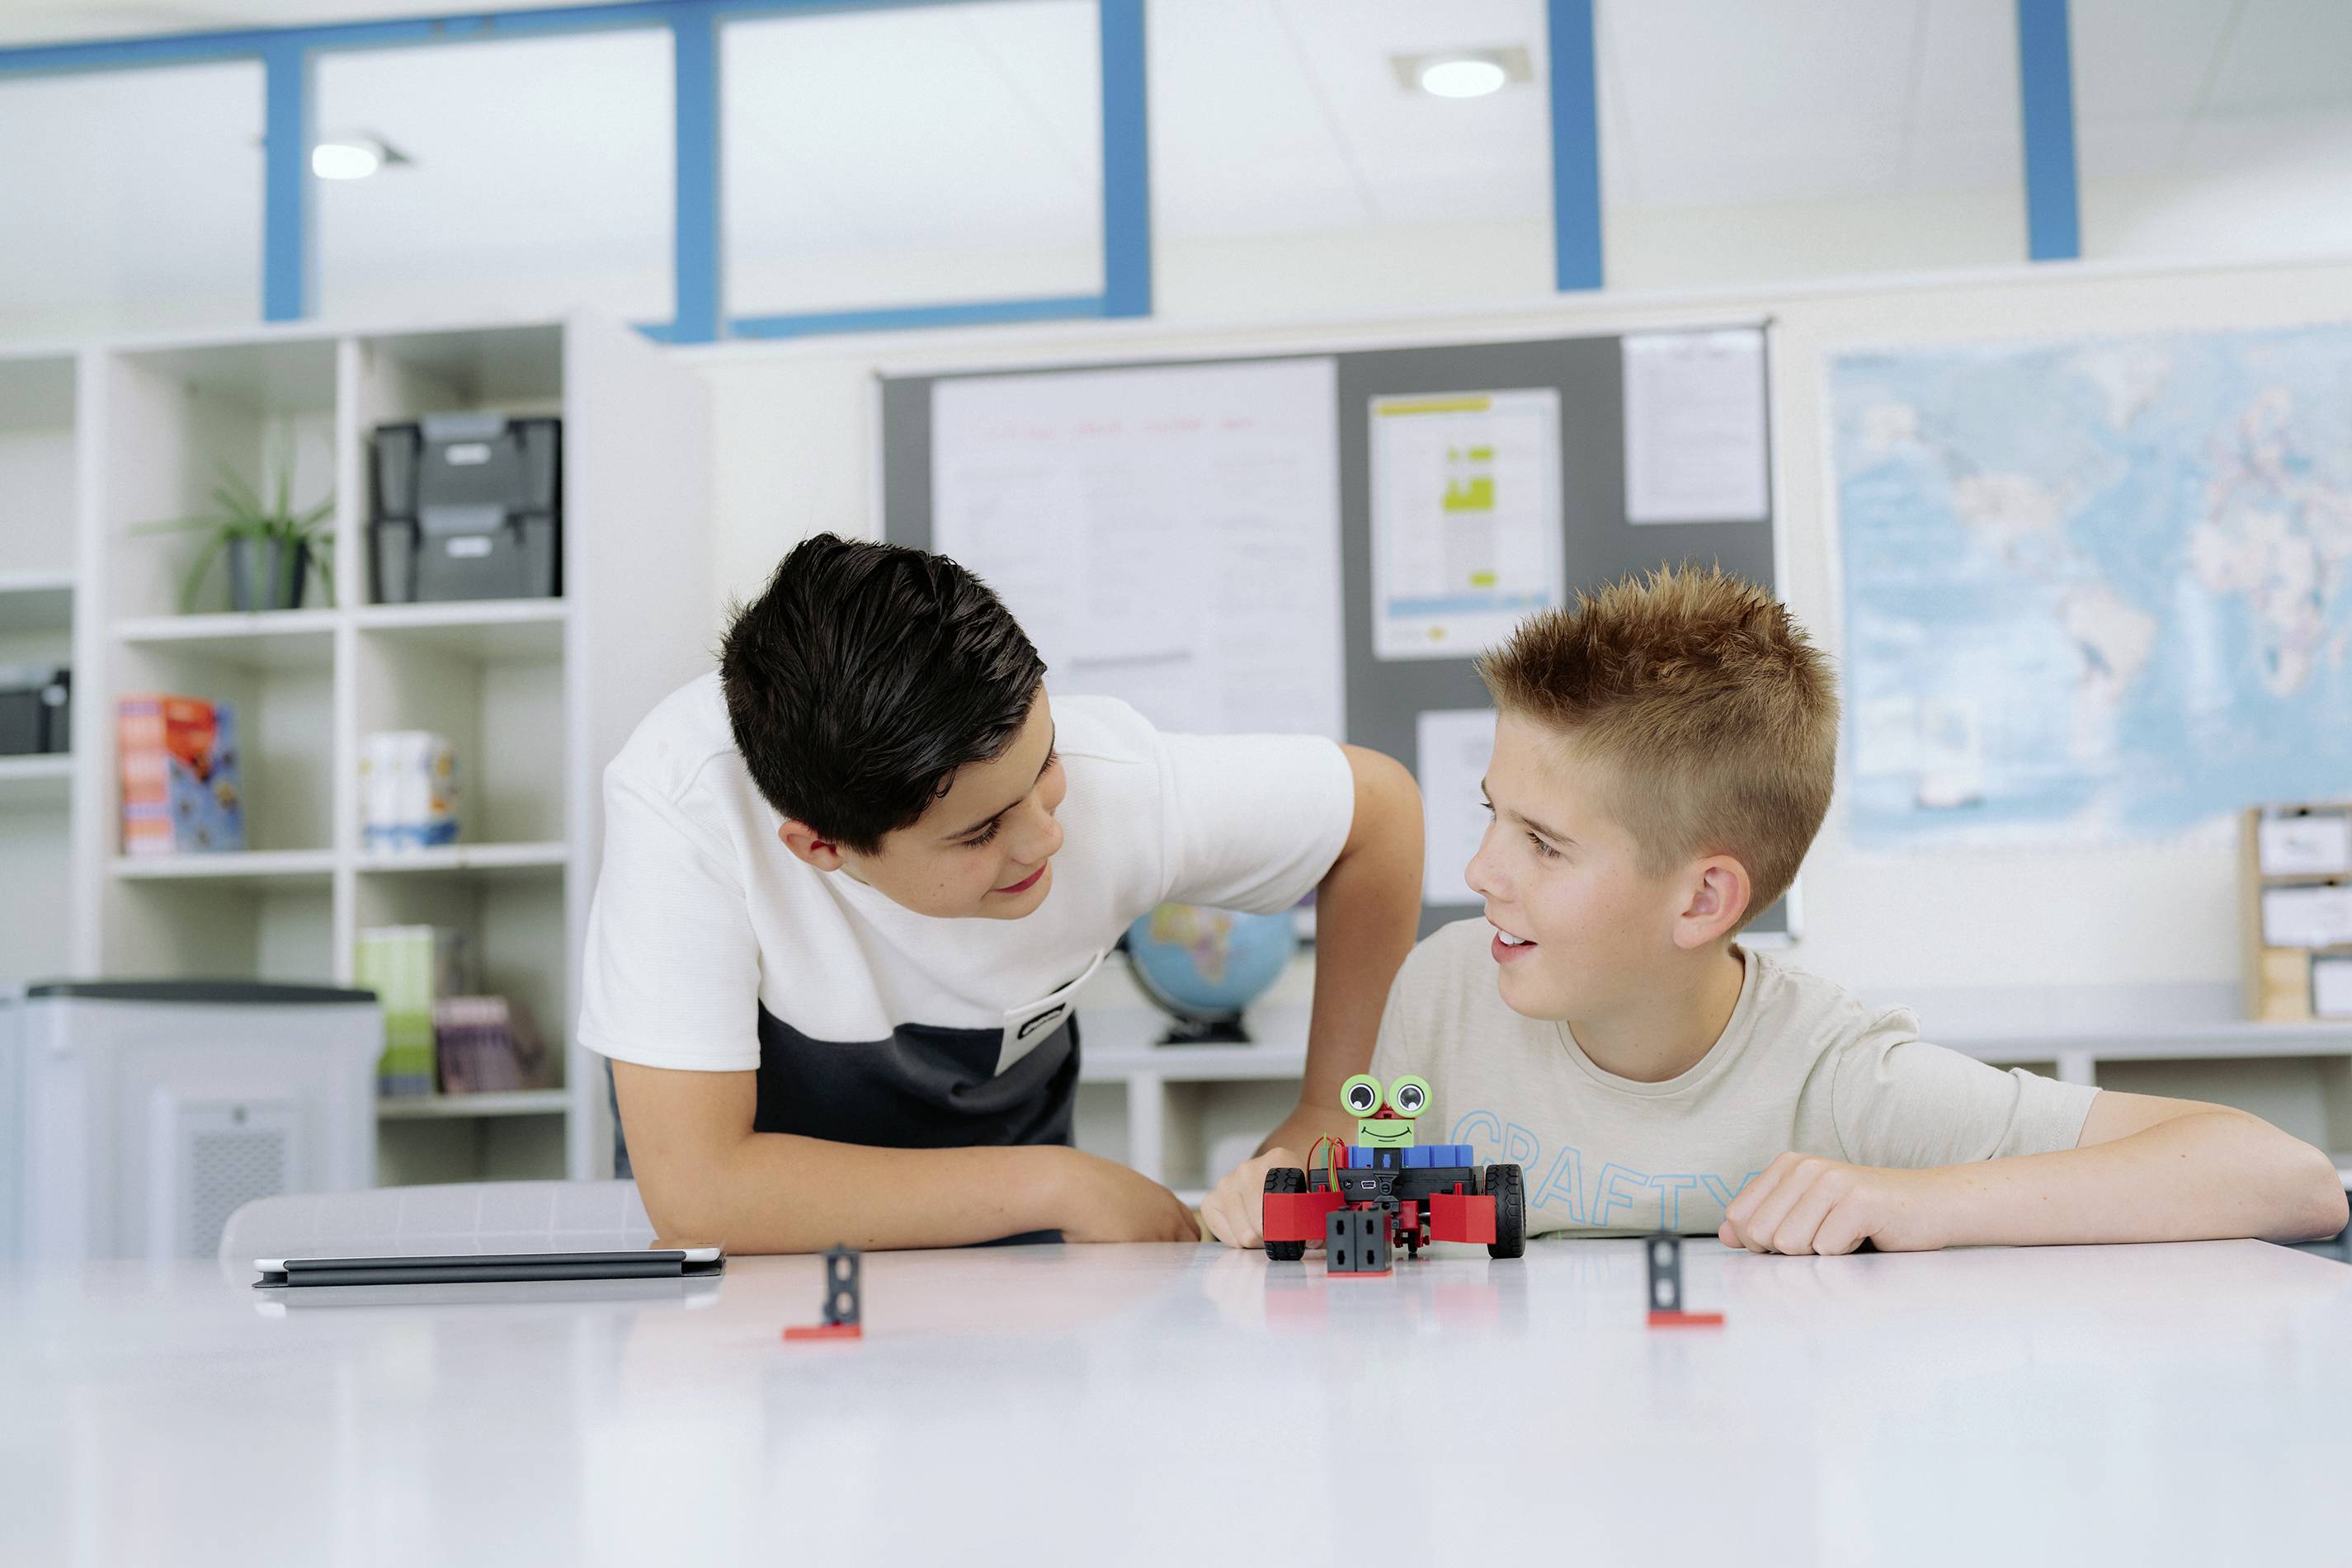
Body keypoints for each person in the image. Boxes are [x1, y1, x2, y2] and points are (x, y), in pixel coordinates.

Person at [1209, 564, 2348, 1254]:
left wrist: (1910, 1200)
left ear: (1704, 897)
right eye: (1491, 813)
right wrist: (1291, 1186)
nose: (1479, 869)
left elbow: (2284, 1178)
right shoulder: (1446, 991)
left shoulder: (1838, 1077)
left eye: (1541, 841)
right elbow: (1362, 1160)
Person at [580, 534, 1423, 1252]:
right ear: (822, 845)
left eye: (1044, 763)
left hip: (1013, 1251)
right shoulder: (683, 806)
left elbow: (1379, 811)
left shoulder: (1115, 785)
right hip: (765, 1259)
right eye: (979, 832)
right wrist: (1056, 1185)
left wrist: (1329, 1109)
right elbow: (700, 1188)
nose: (1044, 836)